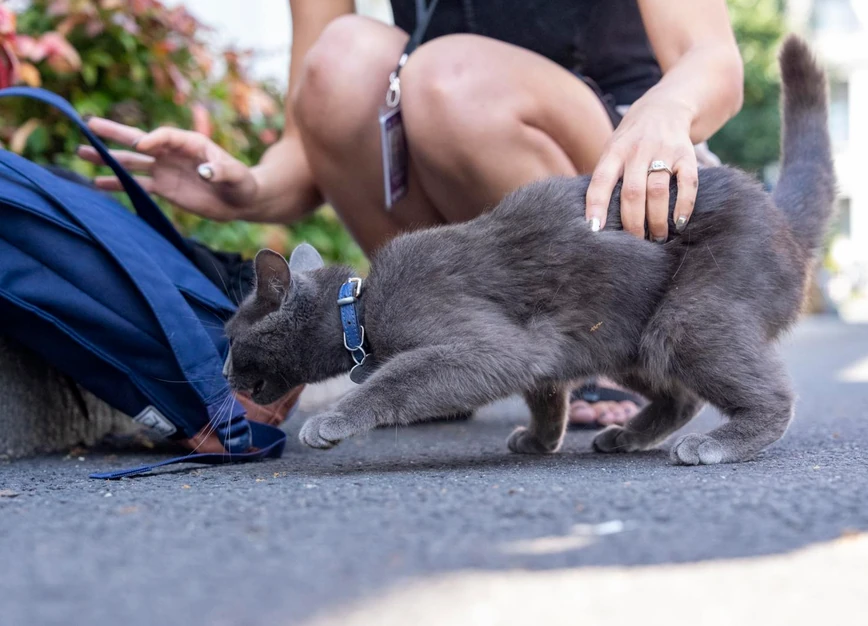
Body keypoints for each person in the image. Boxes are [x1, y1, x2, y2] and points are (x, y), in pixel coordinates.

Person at [78, 0, 743, 432]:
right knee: (342, 57)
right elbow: (309, 148)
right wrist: (244, 189)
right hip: (458, 170)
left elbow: (713, 60)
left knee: (449, 79)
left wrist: (668, 111)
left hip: (625, 162)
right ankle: (435, 352)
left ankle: (591, 349)